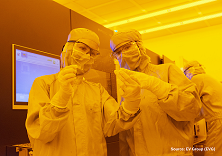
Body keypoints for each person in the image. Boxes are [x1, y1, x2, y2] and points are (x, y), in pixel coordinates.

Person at [25, 28, 142, 156]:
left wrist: (131, 102)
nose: (87, 56)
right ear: (68, 49)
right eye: (82, 49)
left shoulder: (97, 90)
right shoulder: (43, 83)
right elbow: (40, 132)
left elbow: (114, 124)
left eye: (92, 53)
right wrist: (61, 98)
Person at [110, 29, 202, 156]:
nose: (123, 54)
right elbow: (125, 133)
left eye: (126, 47)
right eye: (118, 52)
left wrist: (158, 87)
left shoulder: (167, 70)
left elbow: (192, 109)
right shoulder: (126, 86)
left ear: (139, 46)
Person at [184, 60, 222, 156]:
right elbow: (200, 111)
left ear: (189, 71)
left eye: (185, 73)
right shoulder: (206, 78)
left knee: (213, 152)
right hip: (218, 119)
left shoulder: (196, 79)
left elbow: (188, 103)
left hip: (218, 122)